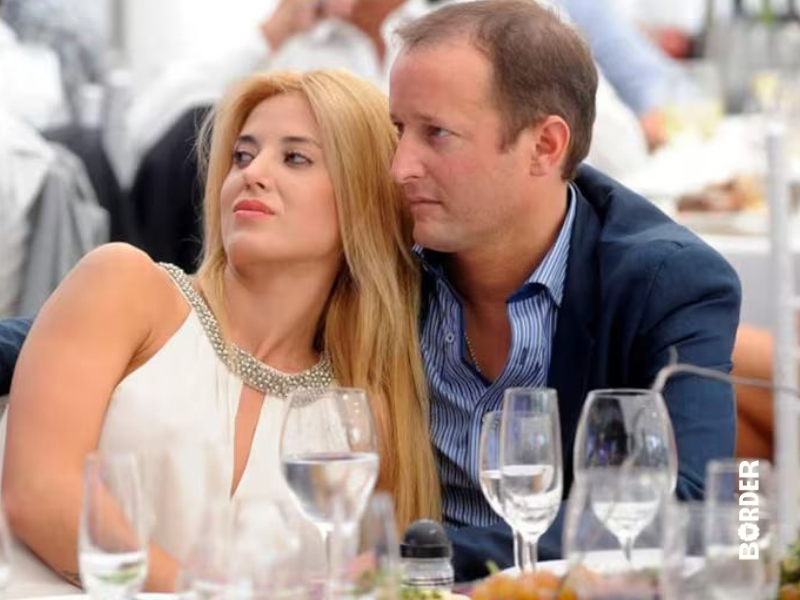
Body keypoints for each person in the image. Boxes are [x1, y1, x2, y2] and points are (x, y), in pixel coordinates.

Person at [0, 69, 440, 594]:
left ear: (362, 199)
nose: (253, 173)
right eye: (242, 155)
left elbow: (361, 584)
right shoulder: (124, 287)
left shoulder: (358, 416)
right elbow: (40, 495)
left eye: (295, 158)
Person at [387, 0, 740, 579]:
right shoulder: (384, 254)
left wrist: (423, 555)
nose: (400, 167)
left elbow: (690, 507)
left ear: (545, 146)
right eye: (398, 130)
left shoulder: (666, 281)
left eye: (437, 134)